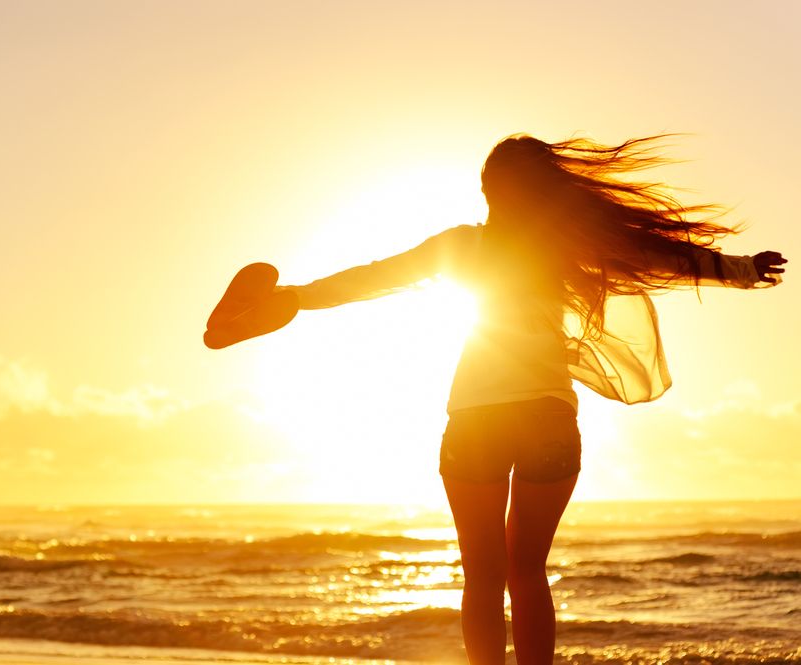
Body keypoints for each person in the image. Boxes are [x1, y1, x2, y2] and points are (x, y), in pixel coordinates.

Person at [275, 134, 786, 665]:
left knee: (482, 573)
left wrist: (294, 298)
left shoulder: (462, 245)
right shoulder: (564, 248)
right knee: (528, 571)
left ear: (487, 190)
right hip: (548, 417)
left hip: (476, 418)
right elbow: (658, 257)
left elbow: (374, 278)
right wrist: (742, 269)